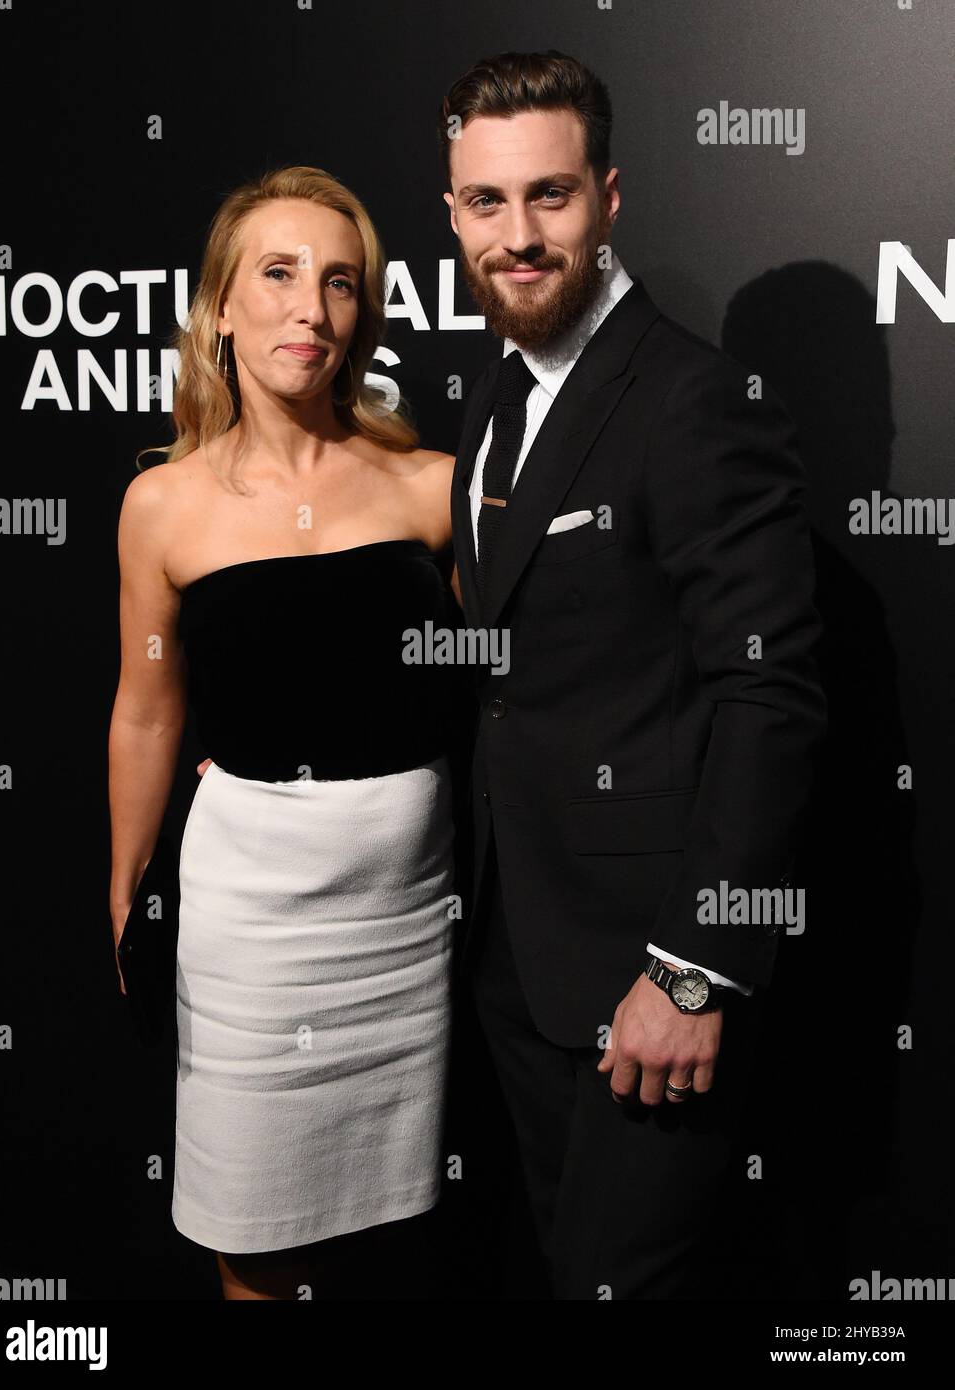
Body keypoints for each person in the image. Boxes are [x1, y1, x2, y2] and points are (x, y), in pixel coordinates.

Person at [438, 51, 827, 1298]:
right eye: (487, 204)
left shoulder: (690, 400)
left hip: (645, 978)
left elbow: (771, 693)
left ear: (609, 199)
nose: (519, 236)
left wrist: (693, 967)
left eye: (549, 197)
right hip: (516, 958)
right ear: (451, 214)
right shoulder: (497, 393)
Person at [107, 165, 467, 1299]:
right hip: (249, 928)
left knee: (395, 1237)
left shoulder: (431, 488)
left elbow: (507, 690)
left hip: (409, 919)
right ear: (222, 305)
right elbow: (147, 703)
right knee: (251, 1245)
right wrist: (123, 887)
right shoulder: (163, 503)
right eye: (279, 273)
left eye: (341, 282)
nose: (311, 307)